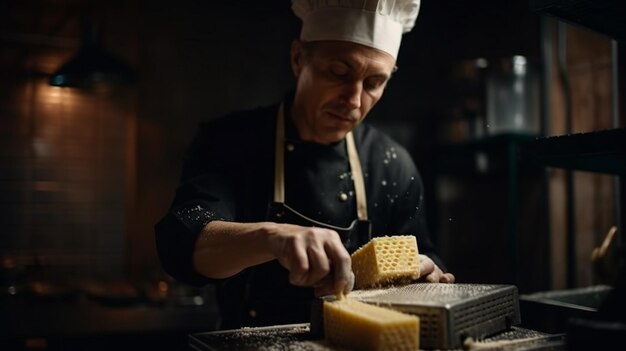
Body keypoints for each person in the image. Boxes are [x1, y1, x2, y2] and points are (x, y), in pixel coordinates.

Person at [155, 0, 455, 329]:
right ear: (299, 59)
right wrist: (273, 237)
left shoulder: (393, 165)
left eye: (373, 83)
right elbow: (181, 242)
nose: (354, 100)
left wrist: (428, 279)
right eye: (338, 73)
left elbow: (426, 257)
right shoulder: (231, 141)